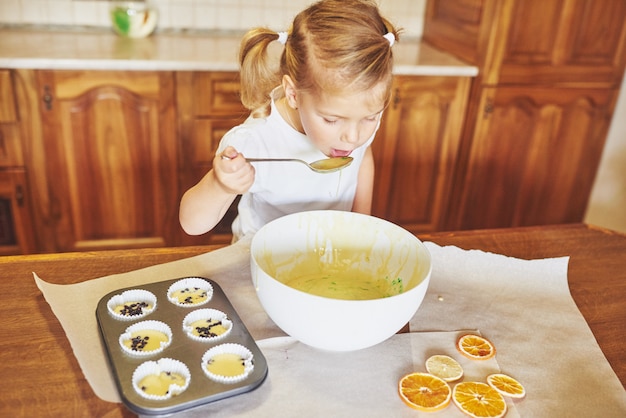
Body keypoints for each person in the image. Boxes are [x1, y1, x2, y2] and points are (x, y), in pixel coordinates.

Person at [179, 0, 400, 242]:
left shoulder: (355, 123)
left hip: (331, 253)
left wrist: (360, 224)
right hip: (260, 259)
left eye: (371, 117)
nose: (354, 137)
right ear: (293, 94)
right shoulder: (255, 141)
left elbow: (362, 156)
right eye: (331, 120)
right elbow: (192, 224)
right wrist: (220, 185)